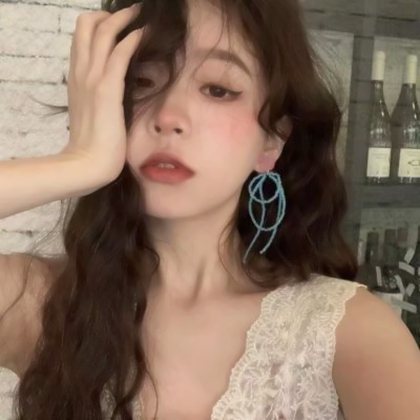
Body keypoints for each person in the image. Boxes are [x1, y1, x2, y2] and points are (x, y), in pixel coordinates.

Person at [0, 0, 419, 419]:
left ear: (273, 140)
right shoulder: (38, 304)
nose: (169, 116)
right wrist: (81, 162)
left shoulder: (350, 333)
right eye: (142, 81)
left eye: (218, 89)